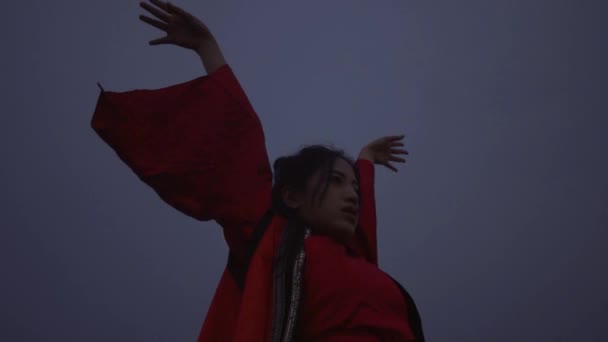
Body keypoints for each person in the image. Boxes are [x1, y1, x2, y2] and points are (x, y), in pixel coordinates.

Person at [92, 1, 425, 340]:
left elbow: (365, 223)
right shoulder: (276, 238)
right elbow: (239, 137)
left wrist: (366, 159)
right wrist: (208, 48)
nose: (353, 194)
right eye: (336, 181)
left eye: (354, 186)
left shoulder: (359, 258)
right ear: (292, 196)